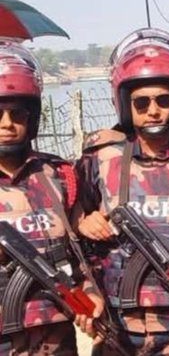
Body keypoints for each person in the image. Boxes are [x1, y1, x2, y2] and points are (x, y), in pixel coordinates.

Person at [74, 28, 169, 355]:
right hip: (120, 324)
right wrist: (82, 222)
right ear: (126, 106)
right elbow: (69, 222)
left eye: (163, 100)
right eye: (141, 102)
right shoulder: (100, 160)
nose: (153, 111)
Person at [0, 40, 103, 355]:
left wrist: (91, 296)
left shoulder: (60, 176)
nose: (7, 124)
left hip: (55, 337)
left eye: (17, 114)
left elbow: (79, 254)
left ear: (32, 118)